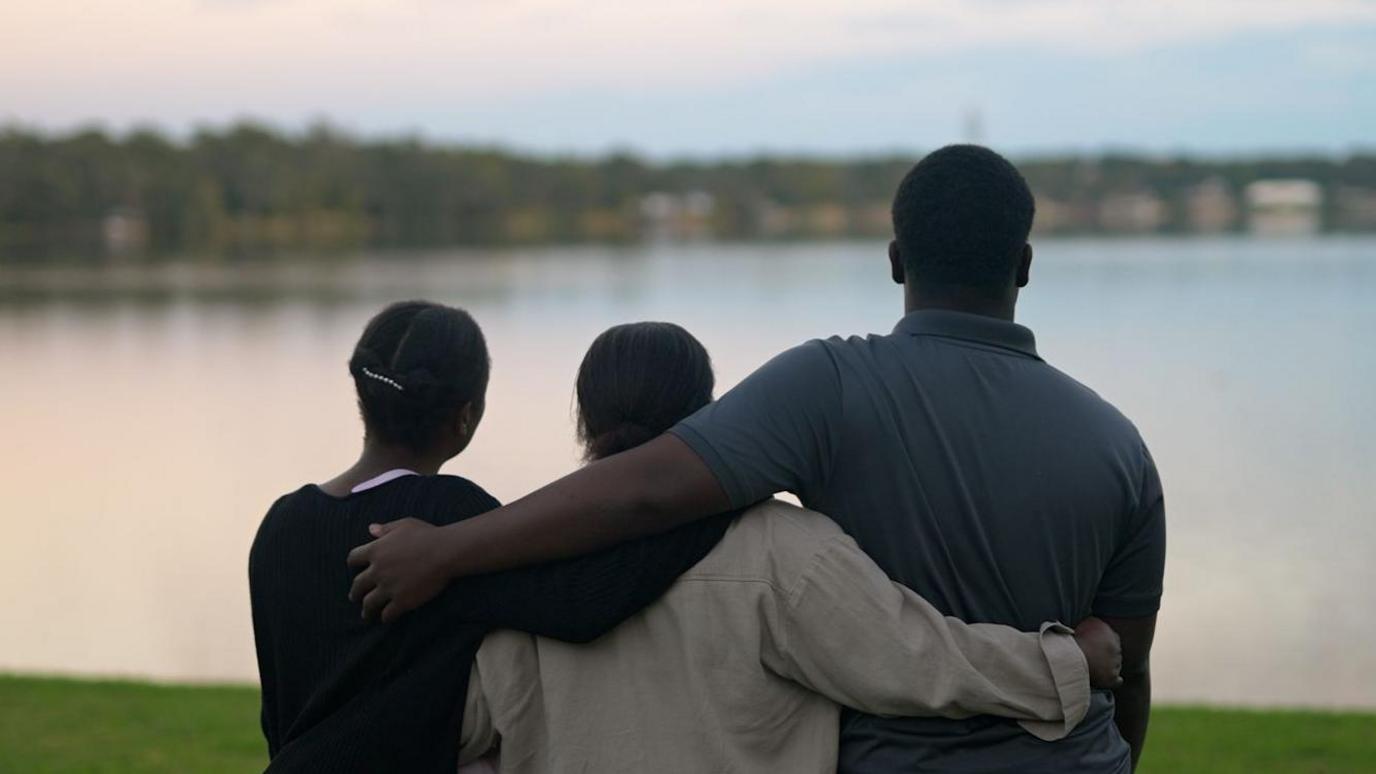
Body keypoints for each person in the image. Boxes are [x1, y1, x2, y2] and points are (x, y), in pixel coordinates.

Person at [348, 146, 1167, 773]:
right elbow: (1126, 669)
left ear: (894, 259)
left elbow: (648, 492)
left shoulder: (834, 385)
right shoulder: (1120, 446)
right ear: (1024, 265)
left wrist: (448, 550)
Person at [455, 321, 1122, 774]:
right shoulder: (780, 551)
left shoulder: (515, 555)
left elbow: (467, 728)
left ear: (583, 418)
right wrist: (1066, 662)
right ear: (709, 414)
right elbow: (923, 663)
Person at [249, 301, 737, 773]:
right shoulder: (448, 516)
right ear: (466, 417)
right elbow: (584, 604)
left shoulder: (280, 523)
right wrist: (712, 497)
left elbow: (278, 707)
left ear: (364, 399)